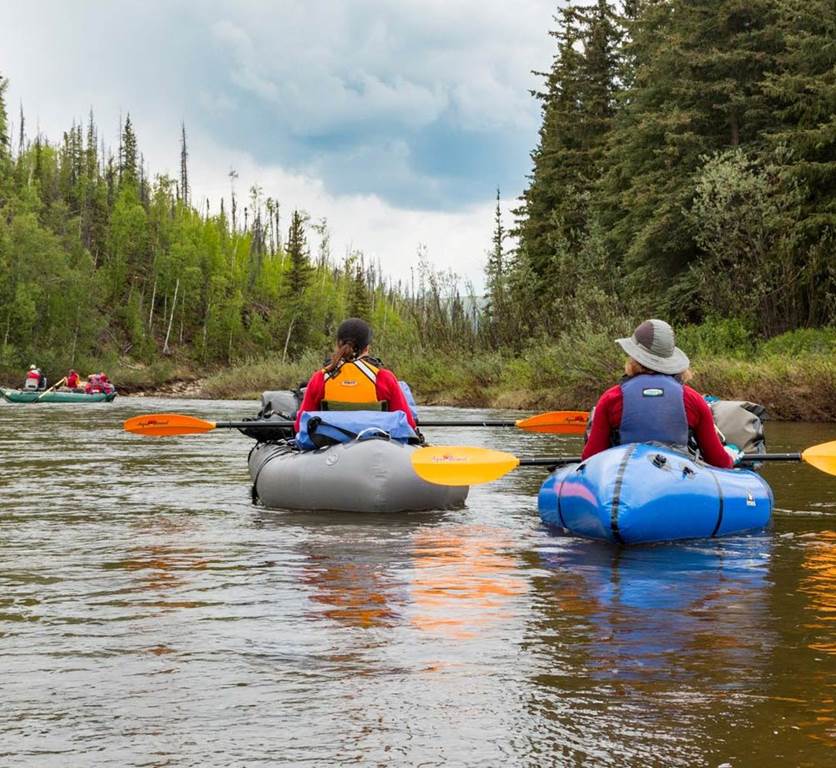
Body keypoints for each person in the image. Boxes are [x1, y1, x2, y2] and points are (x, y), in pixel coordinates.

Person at [582, 319, 734, 469]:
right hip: (677, 483)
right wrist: (732, 456)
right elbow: (720, 462)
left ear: (634, 358)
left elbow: (590, 458)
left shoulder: (611, 398)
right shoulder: (693, 400)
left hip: (626, 481)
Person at [294, 317, 418, 433]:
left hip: (330, 450)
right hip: (375, 449)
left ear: (338, 344)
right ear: (367, 347)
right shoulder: (384, 378)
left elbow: (300, 425)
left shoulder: (320, 378)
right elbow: (408, 424)